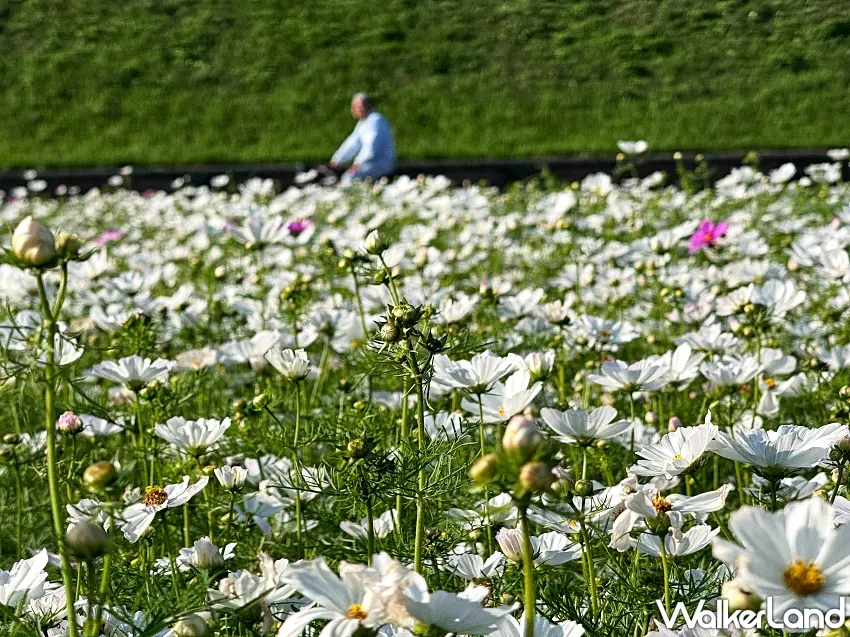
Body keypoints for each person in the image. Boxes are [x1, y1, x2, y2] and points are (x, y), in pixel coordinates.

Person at [329, 93, 396, 184]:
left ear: (365, 106)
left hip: (379, 163)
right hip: (369, 163)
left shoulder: (375, 121)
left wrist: (358, 163)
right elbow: (352, 144)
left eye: (355, 106)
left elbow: (371, 146)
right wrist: (336, 160)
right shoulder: (363, 122)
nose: (353, 110)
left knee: (349, 177)